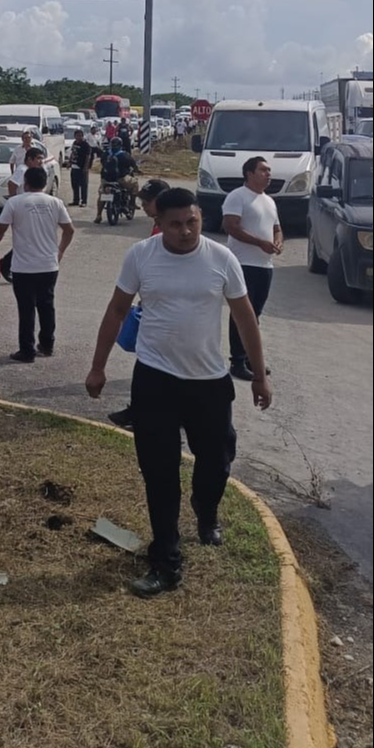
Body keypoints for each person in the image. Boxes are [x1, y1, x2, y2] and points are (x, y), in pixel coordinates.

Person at [85, 188, 272, 598]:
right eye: (176, 224)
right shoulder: (141, 256)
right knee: (160, 473)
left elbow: (244, 317)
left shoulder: (222, 259)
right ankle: (166, 561)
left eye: (193, 222)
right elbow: (117, 310)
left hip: (209, 382)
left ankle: (206, 512)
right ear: (159, 221)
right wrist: (98, 367)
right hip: (155, 381)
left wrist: (259, 375)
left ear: (201, 217)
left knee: (218, 459)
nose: (186, 231)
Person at [107, 178, 171, 430]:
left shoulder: (169, 231)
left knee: (156, 367)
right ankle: (138, 411)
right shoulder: (157, 227)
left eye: (148, 201)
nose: (143, 205)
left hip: (163, 311)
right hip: (152, 305)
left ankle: (148, 415)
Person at [0, 166, 74, 363]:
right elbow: (69, 230)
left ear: (25, 183)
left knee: (26, 308)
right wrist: (60, 251)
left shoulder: (15, 203)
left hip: (23, 266)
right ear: (45, 183)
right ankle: (47, 345)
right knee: (47, 305)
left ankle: (26, 349)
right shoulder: (55, 202)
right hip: (48, 264)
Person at [222, 157, 283, 382]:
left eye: (269, 171)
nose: (268, 174)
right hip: (243, 264)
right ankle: (237, 361)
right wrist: (259, 242)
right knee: (241, 313)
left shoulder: (269, 201)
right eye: (263, 170)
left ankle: (250, 357)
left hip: (265, 265)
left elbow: (277, 228)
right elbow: (231, 226)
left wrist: (278, 241)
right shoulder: (237, 196)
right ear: (249, 173)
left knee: (254, 313)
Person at [94, 138, 139, 223]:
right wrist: (137, 170)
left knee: (101, 195)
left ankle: (98, 215)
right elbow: (133, 165)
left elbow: (102, 163)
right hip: (121, 179)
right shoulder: (125, 155)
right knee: (135, 183)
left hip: (106, 180)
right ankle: (132, 203)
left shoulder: (106, 154)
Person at [68, 128, 94, 207]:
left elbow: (88, 156)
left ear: (82, 136)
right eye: (77, 136)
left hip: (82, 167)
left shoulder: (85, 145)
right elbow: (72, 153)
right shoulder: (75, 143)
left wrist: (86, 167)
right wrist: (69, 162)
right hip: (74, 167)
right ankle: (76, 200)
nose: (78, 137)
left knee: (83, 185)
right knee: (74, 185)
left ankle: (84, 201)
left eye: (80, 136)